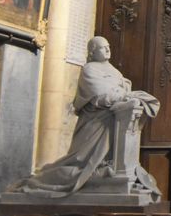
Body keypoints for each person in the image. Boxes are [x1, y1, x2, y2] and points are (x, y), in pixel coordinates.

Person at [12, 36, 160, 199]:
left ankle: (111, 167)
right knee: (78, 164)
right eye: (103, 47)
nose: (108, 50)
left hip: (116, 119)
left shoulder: (115, 71)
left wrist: (124, 96)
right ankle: (40, 179)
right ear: (93, 51)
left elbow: (120, 91)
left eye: (108, 46)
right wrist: (122, 96)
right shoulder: (89, 69)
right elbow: (100, 94)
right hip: (96, 123)